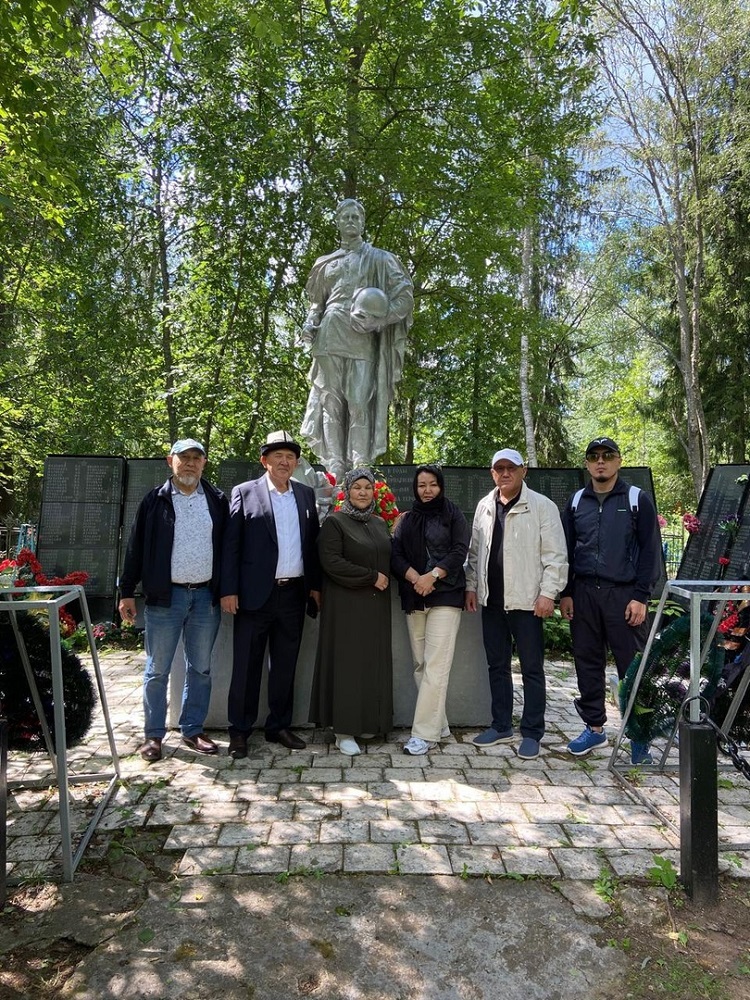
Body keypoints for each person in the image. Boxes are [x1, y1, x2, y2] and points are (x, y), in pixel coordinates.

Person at [119, 439, 229, 763]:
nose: (191, 463)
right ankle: (153, 736)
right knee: (157, 670)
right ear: (171, 461)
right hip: (165, 598)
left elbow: (227, 549)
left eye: (197, 458)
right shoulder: (154, 501)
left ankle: (193, 729)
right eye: (184, 458)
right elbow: (135, 548)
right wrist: (127, 591)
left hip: (206, 597)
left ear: (204, 463)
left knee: (201, 669)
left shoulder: (217, 500)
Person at [220, 431, 321, 759]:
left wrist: (315, 588)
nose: (284, 461)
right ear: (265, 461)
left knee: (285, 665)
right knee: (246, 666)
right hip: (253, 597)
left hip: (293, 594)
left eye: (290, 457)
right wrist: (229, 589)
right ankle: (240, 730)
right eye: (277, 456)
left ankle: (279, 725)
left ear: (296, 463)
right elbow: (231, 545)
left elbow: (312, 546)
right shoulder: (245, 493)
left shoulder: (305, 495)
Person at [559, 437, 661, 762]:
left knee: (633, 666)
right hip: (585, 594)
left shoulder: (636, 500)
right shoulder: (576, 502)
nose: (600, 462)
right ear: (587, 463)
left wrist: (641, 597)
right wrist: (566, 592)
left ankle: (639, 738)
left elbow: (650, 551)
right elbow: (566, 551)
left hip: (624, 596)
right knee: (587, 662)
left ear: (619, 461)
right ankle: (594, 728)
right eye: (593, 457)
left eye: (607, 456)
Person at [299, 199, 414, 482]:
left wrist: (381, 319)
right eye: (345, 217)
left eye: (356, 217)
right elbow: (317, 305)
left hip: (362, 337)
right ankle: (335, 465)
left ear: (363, 223)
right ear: (337, 222)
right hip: (329, 333)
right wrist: (309, 324)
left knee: (359, 399)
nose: (350, 221)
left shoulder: (380, 258)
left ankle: (360, 463)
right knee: (330, 400)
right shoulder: (325, 264)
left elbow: (405, 297)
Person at [465, 448, 568, 760]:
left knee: (532, 668)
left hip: (527, 602)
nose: (505, 473)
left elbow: (556, 555)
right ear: (492, 473)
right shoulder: (484, 505)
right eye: (499, 468)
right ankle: (501, 725)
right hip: (492, 601)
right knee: (497, 665)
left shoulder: (542, 507)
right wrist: (471, 586)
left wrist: (548, 593)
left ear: (524, 471)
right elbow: (474, 553)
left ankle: (533, 731)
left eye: (511, 467)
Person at [310, 467, 393, 755]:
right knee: (347, 667)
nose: (362, 492)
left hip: (375, 608)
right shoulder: (335, 522)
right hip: (346, 606)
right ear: (347, 490)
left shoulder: (380, 523)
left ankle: (368, 722)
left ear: (374, 492)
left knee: (371, 664)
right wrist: (371, 576)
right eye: (357, 487)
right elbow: (331, 562)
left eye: (367, 488)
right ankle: (343, 730)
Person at [391, 465, 469, 755]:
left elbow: (460, 550)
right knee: (420, 665)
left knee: (436, 664)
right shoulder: (406, 520)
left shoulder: (453, 514)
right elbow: (395, 554)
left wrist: (432, 576)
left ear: (441, 486)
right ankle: (440, 725)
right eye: (421, 485)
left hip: (446, 596)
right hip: (414, 597)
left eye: (433, 484)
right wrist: (415, 578)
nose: (427, 490)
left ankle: (423, 734)